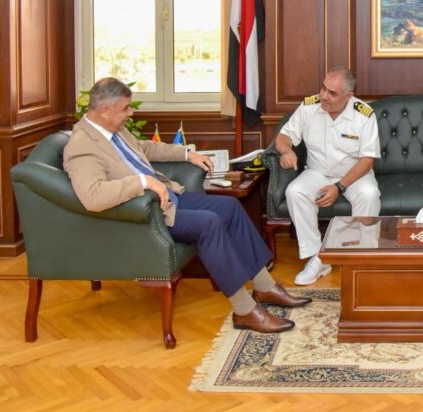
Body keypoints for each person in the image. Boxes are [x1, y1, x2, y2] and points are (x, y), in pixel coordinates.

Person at [64, 78, 307, 334]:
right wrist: (143, 182)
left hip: (167, 200)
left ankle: (265, 287)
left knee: (230, 207)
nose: (130, 113)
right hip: (145, 214)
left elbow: (144, 148)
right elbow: (93, 196)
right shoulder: (82, 145)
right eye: (125, 108)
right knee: (209, 223)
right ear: (104, 110)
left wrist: (186, 154)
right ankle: (244, 310)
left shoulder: (114, 129)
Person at [276, 66, 381, 286]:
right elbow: (284, 136)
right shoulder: (309, 107)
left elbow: (367, 159)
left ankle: (362, 258)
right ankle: (318, 258)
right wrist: (286, 151)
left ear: (348, 95)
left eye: (332, 93)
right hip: (318, 172)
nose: (324, 96)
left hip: (354, 174)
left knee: (369, 195)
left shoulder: (364, 114)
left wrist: (339, 187)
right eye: (323, 88)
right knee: (295, 192)